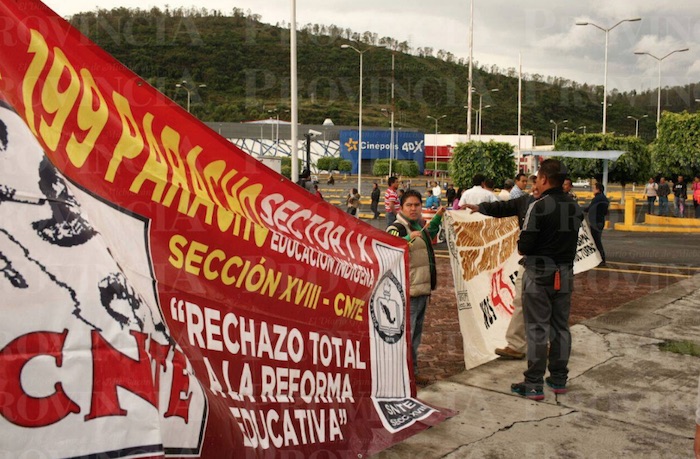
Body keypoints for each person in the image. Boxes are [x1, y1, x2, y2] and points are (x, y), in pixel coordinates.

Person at [510, 159, 583, 401]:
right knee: (560, 327)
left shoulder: (539, 206)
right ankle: (559, 378)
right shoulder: (574, 207)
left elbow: (524, 246)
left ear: (543, 179)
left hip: (539, 274)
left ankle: (533, 383)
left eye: (538, 176)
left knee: (537, 329)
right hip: (565, 273)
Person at [463, 184, 540, 361]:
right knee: (521, 301)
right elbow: (502, 207)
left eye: (540, 183)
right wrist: (481, 207)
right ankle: (516, 345)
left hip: (548, 265)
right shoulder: (525, 201)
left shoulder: (555, 204)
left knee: (545, 305)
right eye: (533, 184)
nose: (535, 187)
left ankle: (547, 344)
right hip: (529, 263)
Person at [386, 190, 445, 377]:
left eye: (417, 205)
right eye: (409, 205)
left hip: (421, 290)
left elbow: (428, 235)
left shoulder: (417, 226)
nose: (413, 208)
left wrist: (438, 217)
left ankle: (411, 371)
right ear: (401, 207)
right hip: (407, 292)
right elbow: (388, 248)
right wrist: (406, 239)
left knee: (415, 337)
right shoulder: (398, 228)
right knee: (406, 337)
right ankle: (402, 373)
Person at [583, 182, 609, 267]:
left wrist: (580, 208)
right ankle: (599, 259)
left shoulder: (597, 199)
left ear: (598, 189)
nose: (593, 190)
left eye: (594, 188)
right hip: (601, 221)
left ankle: (601, 259)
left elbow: (590, 208)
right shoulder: (605, 198)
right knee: (596, 241)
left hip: (596, 222)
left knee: (596, 241)